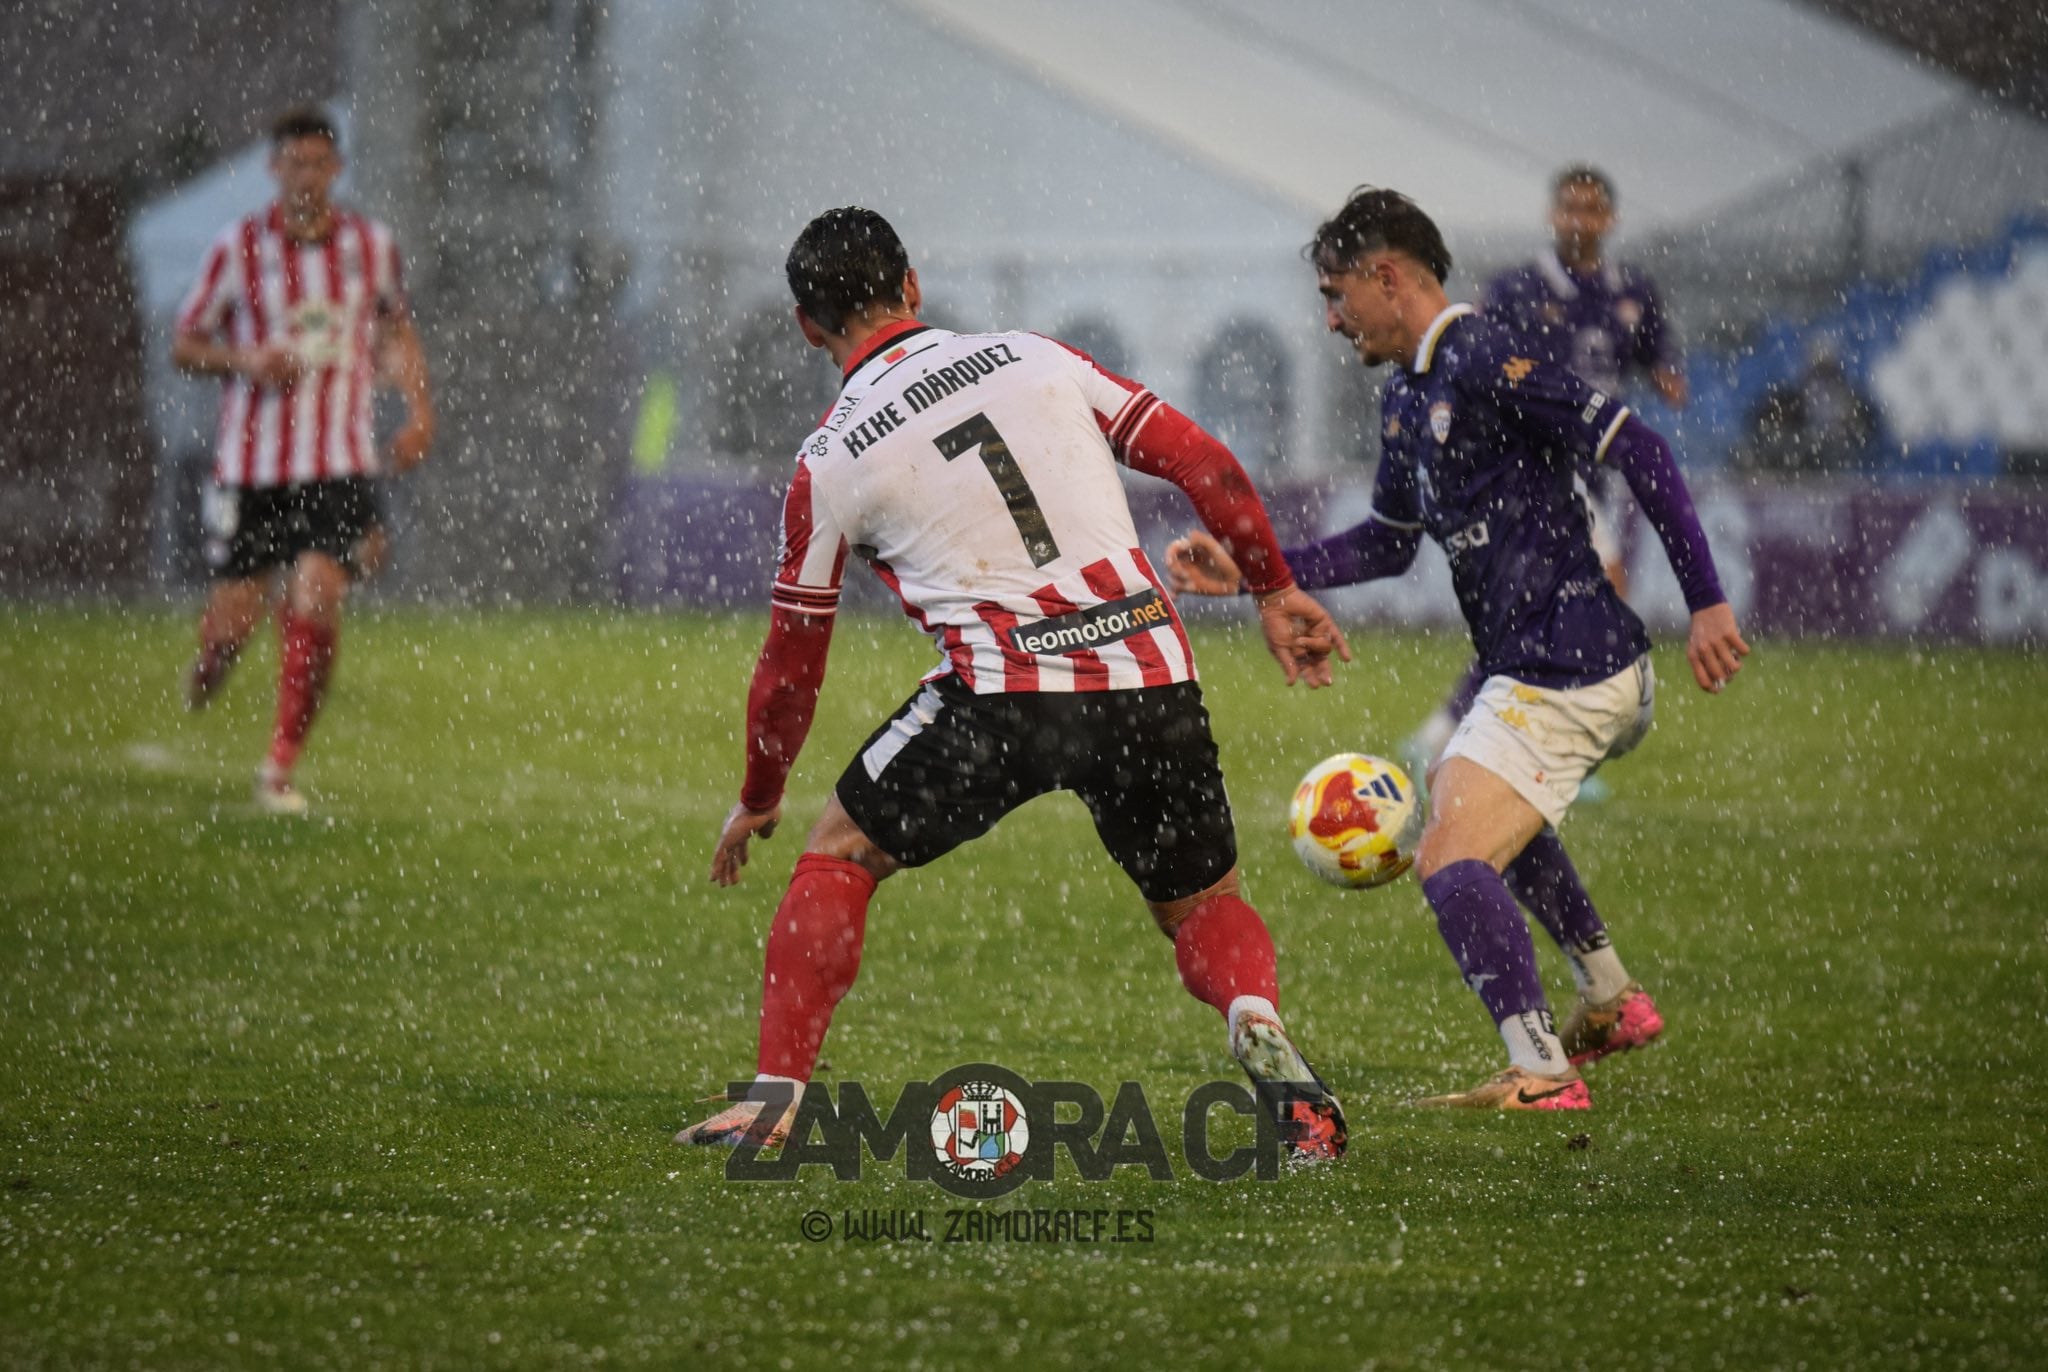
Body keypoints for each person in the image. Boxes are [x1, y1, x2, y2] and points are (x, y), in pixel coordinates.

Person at [676, 207, 1353, 1159]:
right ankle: (1256, 1018)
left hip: (1007, 698)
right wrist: (1275, 588)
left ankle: (778, 1101)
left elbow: (792, 661)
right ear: (911, 285)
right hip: (1148, 674)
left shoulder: (829, 460)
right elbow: (1203, 461)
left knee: (838, 855)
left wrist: (759, 793)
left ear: (806, 325)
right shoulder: (1032, 356)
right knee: (1203, 906)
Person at [1170, 187, 1748, 1110]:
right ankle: (1610, 999)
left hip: (1578, 662)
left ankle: (1543, 1073)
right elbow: (1386, 542)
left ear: (1387, 276)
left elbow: (1641, 449)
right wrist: (1254, 570)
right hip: (1540, 667)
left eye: (1336, 294)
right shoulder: (1405, 399)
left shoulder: (1481, 351)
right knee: (1476, 800)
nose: (1328, 319)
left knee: (1447, 855)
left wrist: (1708, 605)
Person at [173, 106, 434, 815]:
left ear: (336, 169)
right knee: (234, 624)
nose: (306, 176)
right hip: (253, 464)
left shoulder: (370, 247)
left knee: (318, 593)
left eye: (318, 163)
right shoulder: (239, 248)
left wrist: (417, 410)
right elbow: (186, 344)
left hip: (338, 459)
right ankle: (214, 654)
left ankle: (280, 766)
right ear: (274, 169)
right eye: (294, 163)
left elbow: (396, 331)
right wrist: (246, 360)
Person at [1403, 166, 1686, 781]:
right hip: (1540, 470)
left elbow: (1661, 363)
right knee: (1590, 605)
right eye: (1570, 209)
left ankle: (1460, 730)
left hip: (1597, 475)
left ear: (1610, 219)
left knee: (1542, 613)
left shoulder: (1631, 292)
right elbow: (1474, 360)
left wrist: (1667, 378)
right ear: (1552, 215)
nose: (1579, 221)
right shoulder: (1517, 288)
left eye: (1591, 210)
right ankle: (1546, 750)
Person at [1735, 336, 1876, 475]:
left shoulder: (1854, 406)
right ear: (1807, 374)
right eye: (1817, 374)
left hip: (1833, 471)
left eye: (1828, 375)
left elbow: (1867, 441)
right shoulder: (1786, 404)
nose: (1822, 385)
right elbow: (1758, 426)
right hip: (1797, 472)